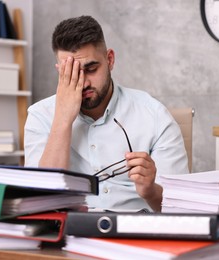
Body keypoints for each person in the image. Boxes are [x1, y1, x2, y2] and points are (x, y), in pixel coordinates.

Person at [24, 15, 189, 212]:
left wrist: (151, 191)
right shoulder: (39, 116)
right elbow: (40, 203)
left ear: (110, 60)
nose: (83, 82)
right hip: (69, 233)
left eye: (91, 69)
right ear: (60, 70)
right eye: (71, 73)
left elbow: (182, 210)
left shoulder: (155, 116)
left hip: (135, 231)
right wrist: (63, 118)